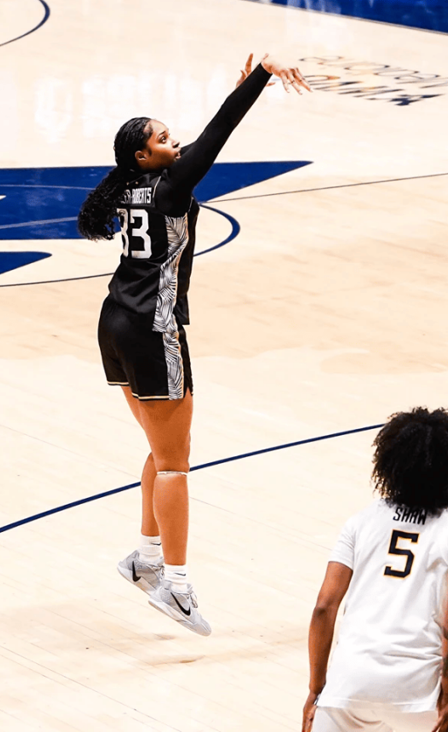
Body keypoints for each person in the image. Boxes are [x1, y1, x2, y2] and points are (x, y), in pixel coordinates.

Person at [83, 53, 311, 638]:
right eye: (163, 138)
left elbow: (203, 136)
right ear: (144, 156)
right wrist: (260, 76)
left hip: (114, 321)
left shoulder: (130, 188)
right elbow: (220, 133)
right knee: (177, 464)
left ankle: (145, 555)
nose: (174, 140)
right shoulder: (170, 187)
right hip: (152, 328)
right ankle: (176, 587)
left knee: (162, 449)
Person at [304, 408, 448, 732]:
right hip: (418, 692)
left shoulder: (361, 521)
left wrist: (317, 690)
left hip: (348, 687)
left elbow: (324, 606)